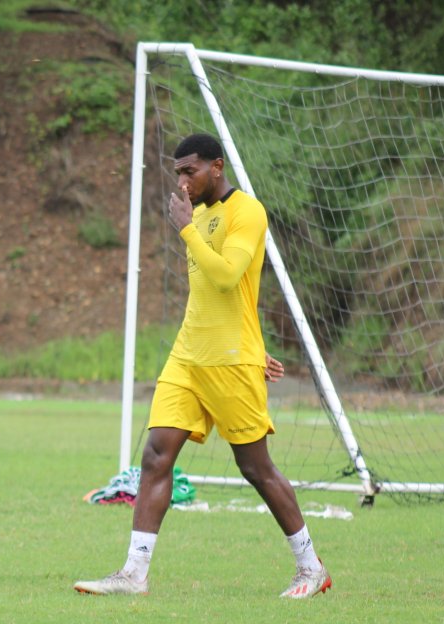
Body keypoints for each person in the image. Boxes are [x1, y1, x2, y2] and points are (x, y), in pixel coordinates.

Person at [73, 133, 331, 599]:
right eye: (177, 173)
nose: (182, 181)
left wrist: (187, 230)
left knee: (255, 467)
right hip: (188, 356)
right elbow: (213, 294)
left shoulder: (246, 212)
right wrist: (192, 226)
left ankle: (311, 567)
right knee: (155, 455)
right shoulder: (200, 215)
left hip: (231, 360)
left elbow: (230, 276)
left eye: (189, 171)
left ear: (217, 166)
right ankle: (134, 573)